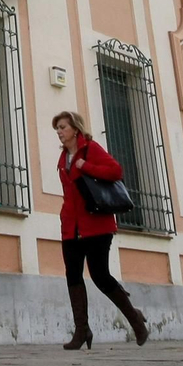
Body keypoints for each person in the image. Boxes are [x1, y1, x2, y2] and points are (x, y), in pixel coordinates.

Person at [53, 110, 148, 349]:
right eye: (57, 128)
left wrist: (86, 166)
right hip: (71, 227)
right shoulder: (63, 158)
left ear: (75, 129)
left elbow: (116, 171)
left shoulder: (91, 149)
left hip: (97, 225)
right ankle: (82, 331)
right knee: (73, 276)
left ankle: (135, 319)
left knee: (100, 276)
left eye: (63, 127)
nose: (59, 132)